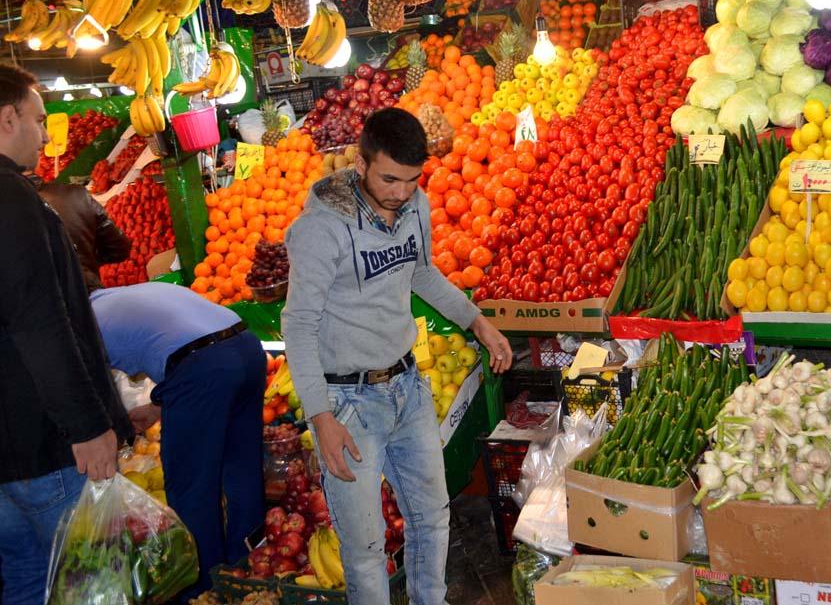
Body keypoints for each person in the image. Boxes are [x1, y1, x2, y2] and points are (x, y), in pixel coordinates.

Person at [283, 108, 513, 605]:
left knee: (433, 517)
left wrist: (478, 321)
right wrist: (321, 417)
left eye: (412, 180)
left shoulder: (415, 206)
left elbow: (422, 274)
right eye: (390, 179)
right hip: (348, 402)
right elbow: (298, 324)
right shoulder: (318, 232)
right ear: (361, 164)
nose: (402, 192)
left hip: (407, 389)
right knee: (364, 547)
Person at [0, 65, 132, 605]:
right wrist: (89, 426)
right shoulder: (13, 201)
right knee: (95, 587)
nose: (47, 135)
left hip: (6, 458)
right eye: (37, 120)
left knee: (29, 583)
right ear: (7, 119)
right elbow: (41, 322)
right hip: (47, 447)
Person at [89, 281, 266, 597]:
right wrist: (159, 406)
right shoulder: (122, 295)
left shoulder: (81, 320)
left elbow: (93, 394)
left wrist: (114, 433)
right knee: (243, 469)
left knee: (191, 487)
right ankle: (251, 568)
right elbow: (178, 340)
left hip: (201, 368)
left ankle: (204, 590)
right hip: (248, 348)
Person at [32, 177, 131, 291]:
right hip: (87, 292)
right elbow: (120, 248)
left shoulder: (9, 213)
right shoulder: (76, 194)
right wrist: (87, 261)